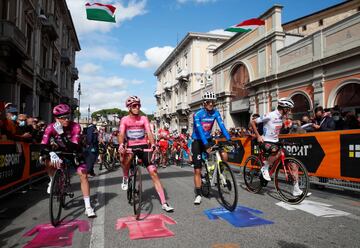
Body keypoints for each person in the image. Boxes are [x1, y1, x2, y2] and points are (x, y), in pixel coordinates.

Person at [118, 96, 174, 212]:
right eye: (134, 106)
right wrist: (121, 145)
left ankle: (164, 202)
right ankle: (125, 176)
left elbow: (149, 132)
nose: (137, 107)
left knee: (153, 172)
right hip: (130, 147)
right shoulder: (125, 119)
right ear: (129, 107)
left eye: (138, 105)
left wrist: (153, 144)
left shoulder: (143, 118)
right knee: (125, 161)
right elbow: (121, 133)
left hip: (143, 146)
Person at [40, 104, 96, 217]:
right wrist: (50, 152)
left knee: (83, 175)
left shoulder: (75, 126)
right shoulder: (50, 127)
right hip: (60, 152)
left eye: (68, 117)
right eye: (63, 117)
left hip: (75, 152)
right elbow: (43, 146)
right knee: (46, 159)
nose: (67, 119)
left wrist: (62, 134)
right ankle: (52, 180)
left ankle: (88, 207)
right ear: (56, 118)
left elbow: (73, 147)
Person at [250, 98, 311, 197]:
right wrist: (258, 136)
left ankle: (296, 189)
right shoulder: (270, 115)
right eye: (289, 109)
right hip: (265, 141)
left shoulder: (282, 118)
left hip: (275, 142)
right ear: (285, 108)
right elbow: (252, 122)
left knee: (293, 164)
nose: (290, 111)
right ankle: (265, 167)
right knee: (277, 151)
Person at [191, 91, 232, 205]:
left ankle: (221, 173)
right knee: (197, 169)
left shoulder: (215, 113)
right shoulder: (198, 114)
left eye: (212, 102)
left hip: (208, 139)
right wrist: (205, 144)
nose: (210, 104)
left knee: (223, 153)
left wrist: (229, 138)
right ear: (204, 103)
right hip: (198, 141)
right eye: (208, 102)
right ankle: (198, 194)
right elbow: (199, 130)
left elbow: (222, 125)